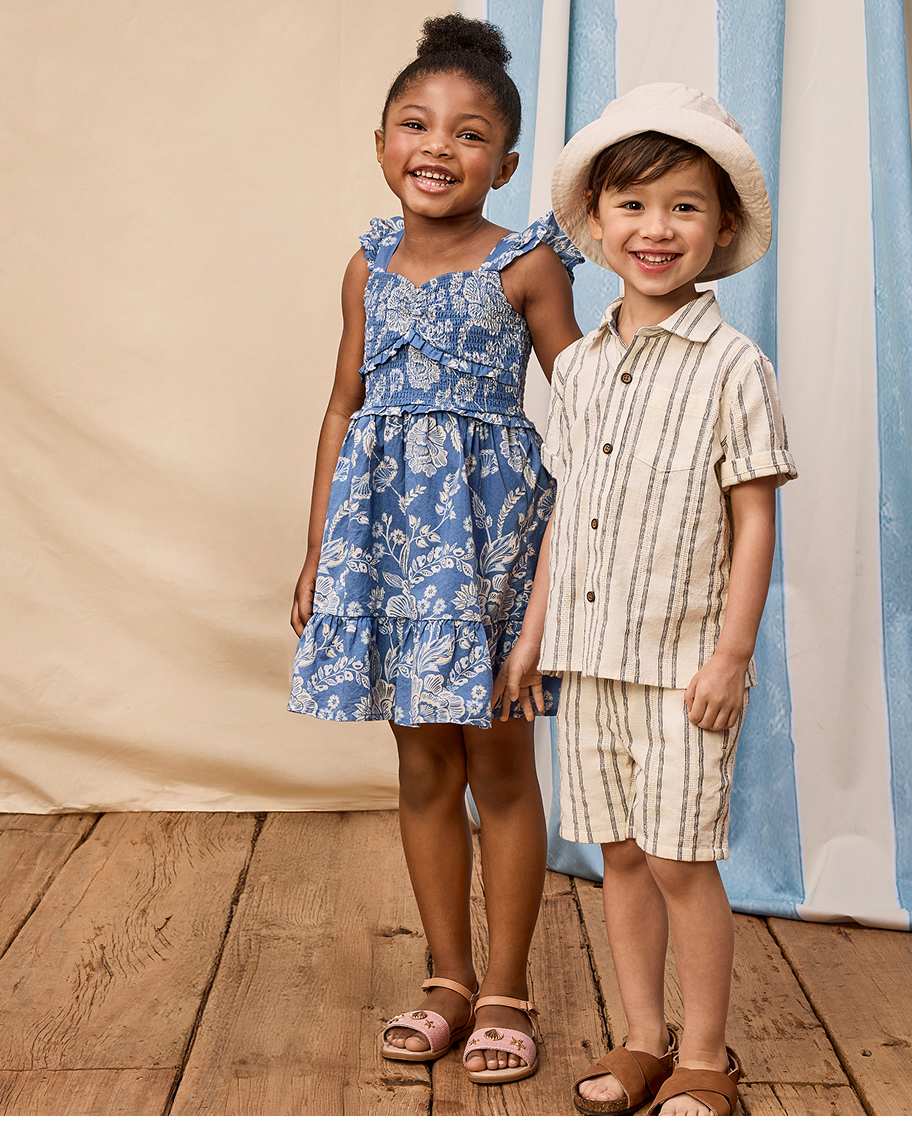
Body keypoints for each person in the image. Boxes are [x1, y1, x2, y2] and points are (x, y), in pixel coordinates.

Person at [288, 14, 582, 1085]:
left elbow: (587, 408)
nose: (437, 147)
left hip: (493, 544)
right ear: (379, 144)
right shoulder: (368, 265)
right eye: (416, 124)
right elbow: (339, 408)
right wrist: (320, 550)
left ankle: (507, 985)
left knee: (497, 762)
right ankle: (448, 977)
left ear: (502, 164)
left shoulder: (528, 265)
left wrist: (573, 564)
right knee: (420, 763)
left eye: (468, 134)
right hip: (387, 550)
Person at [499, 82, 798, 1115]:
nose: (656, 228)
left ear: (719, 230)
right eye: (633, 205)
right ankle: (642, 1037)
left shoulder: (732, 366)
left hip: (682, 671)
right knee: (619, 854)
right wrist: (534, 637)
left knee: (679, 860)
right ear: (594, 224)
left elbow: (754, 517)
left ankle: (706, 1055)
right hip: (591, 663)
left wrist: (733, 654)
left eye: (683, 206)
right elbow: (565, 512)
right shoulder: (578, 369)